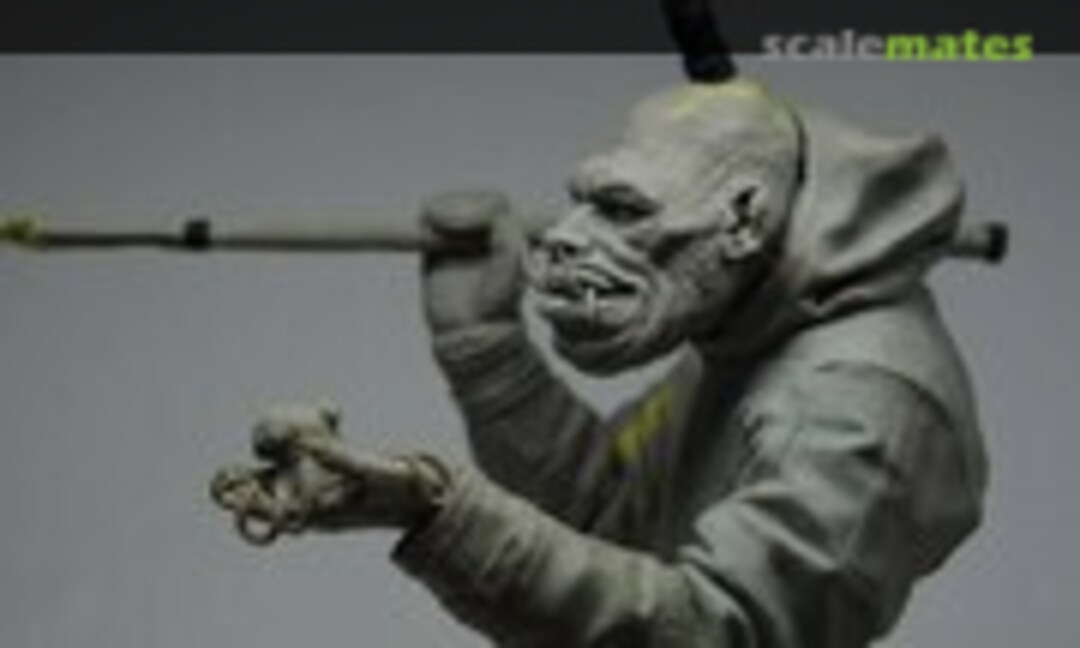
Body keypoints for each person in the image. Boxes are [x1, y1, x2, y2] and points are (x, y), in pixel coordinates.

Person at [211, 79, 987, 648]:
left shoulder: (855, 405)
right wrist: (487, 351)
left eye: (622, 210)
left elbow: (716, 634)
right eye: (583, 202)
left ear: (744, 216)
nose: (561, 237)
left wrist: (437, 514)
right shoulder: (750, 323)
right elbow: (614, 514)